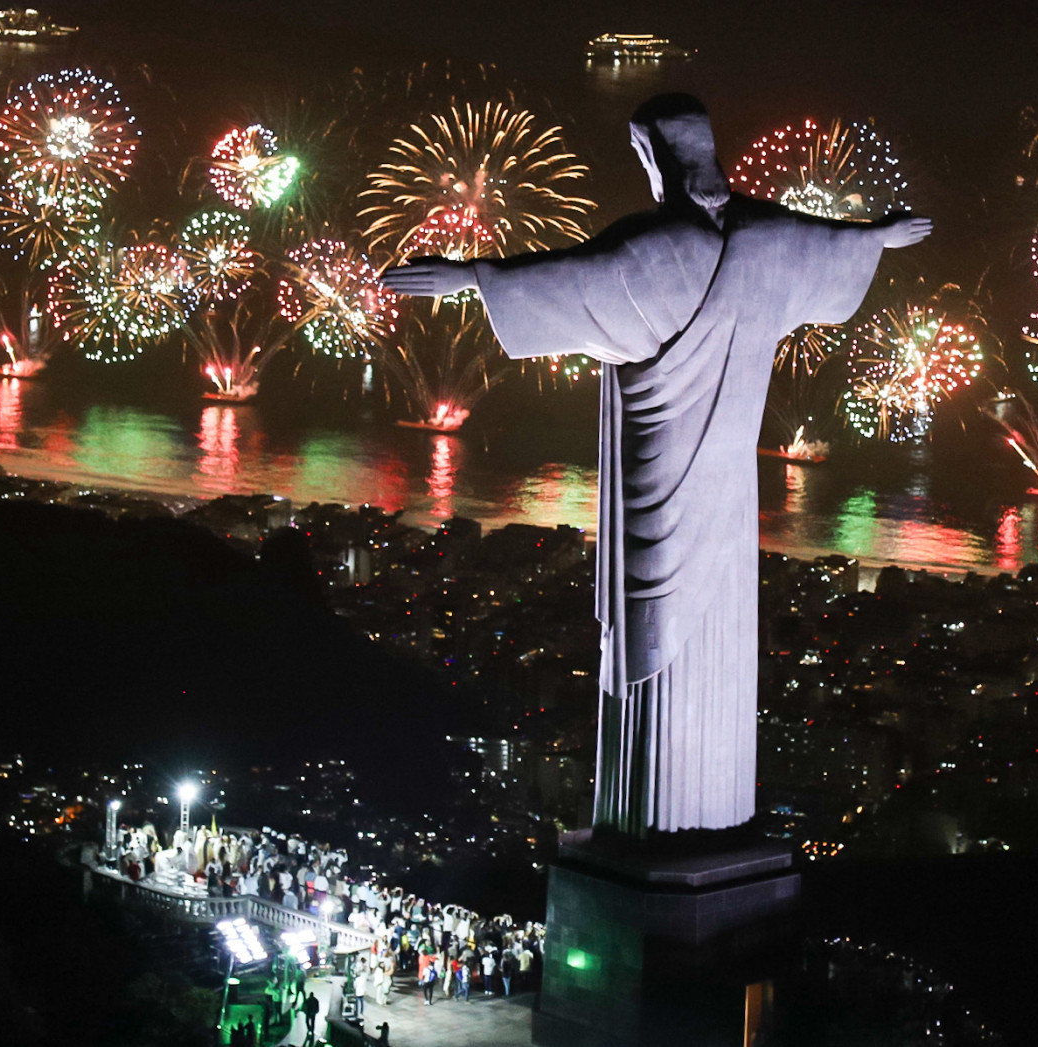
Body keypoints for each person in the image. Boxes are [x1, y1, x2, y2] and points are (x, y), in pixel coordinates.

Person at [381, 93, 928, 834]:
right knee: (714, 634)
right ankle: (709, 818)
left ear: (654, 159)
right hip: (731, 494)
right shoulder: (768, 239)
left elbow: (571, 280)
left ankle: (655, 826)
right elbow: (827, 245)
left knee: (652, 630)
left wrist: (474, 277)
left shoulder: (658, 250)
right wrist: (878, 238)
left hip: (658, 474)